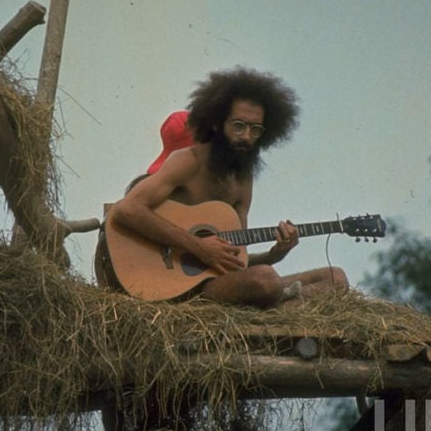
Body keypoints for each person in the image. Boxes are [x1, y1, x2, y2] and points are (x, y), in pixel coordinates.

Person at [106, 66, 348, 308]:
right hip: (176, 286)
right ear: (216, 123)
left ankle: (277, 302)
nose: (246, 136)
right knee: (265, 281)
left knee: (335, 279)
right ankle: (277, 300)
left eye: (255, 129)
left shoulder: (244, 179)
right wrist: (198, 246)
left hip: (221, 282)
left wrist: (276, 254)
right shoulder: (187, 161)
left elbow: (235, 260)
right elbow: (127, 209)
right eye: (238, 125)